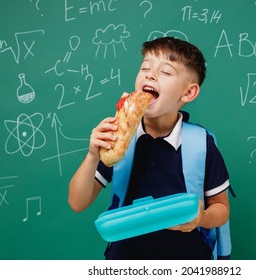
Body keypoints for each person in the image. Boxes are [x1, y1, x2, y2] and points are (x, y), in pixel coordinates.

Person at [69, 37, 231, 260]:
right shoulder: (117, 138)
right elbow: (77, 203)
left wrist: (201, 218)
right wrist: (91, 156)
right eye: (145, 67)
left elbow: (221, 208)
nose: (150, 74)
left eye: (165, 72)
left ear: (188, 93)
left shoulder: (202, 143)